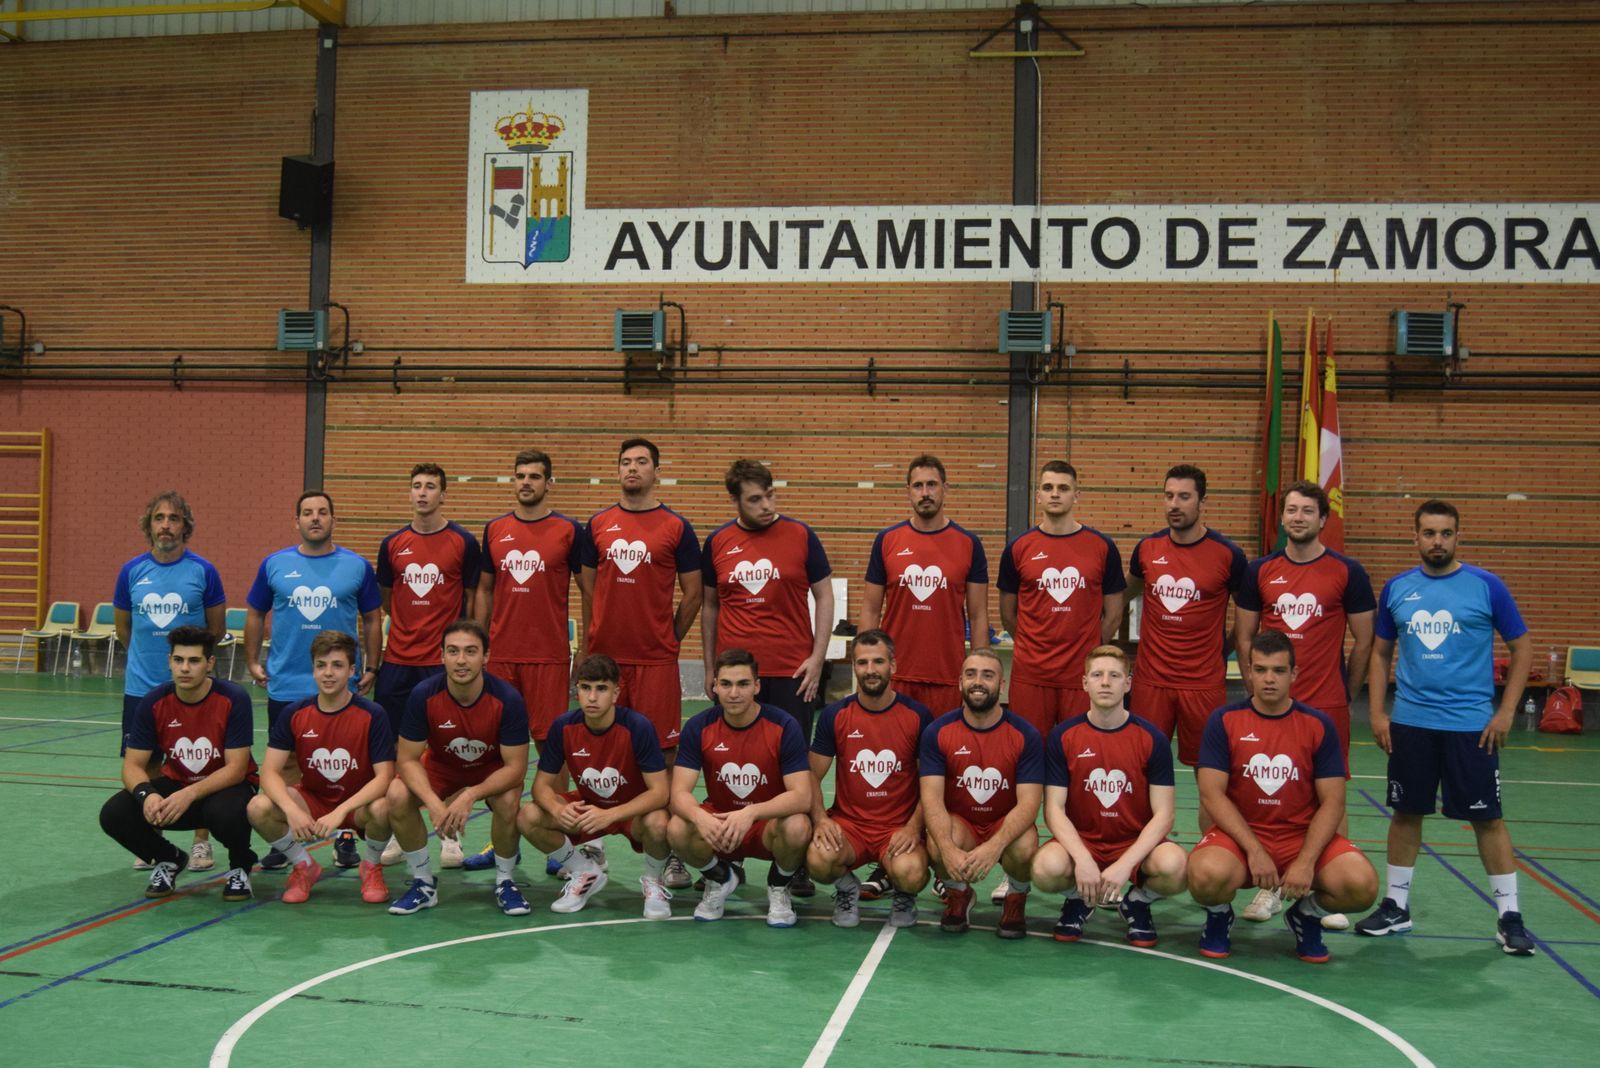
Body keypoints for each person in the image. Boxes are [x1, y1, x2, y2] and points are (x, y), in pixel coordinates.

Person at [1355, 500, 1535, 955]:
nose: (1438, 541)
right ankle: (1396, 907)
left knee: (1487, 818)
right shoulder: (1397, 588)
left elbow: (1523, 648)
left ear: (1458, 537)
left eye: (1446, 533)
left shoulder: (1486, 586)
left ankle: (1509, 917)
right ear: (1414, 538)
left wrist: (1506, 712)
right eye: (1429, 533)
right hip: (1411, 723)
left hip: (1471, 726)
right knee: (1405, 811)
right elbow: (1378, 654)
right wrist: (1377, 713)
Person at [1186, 631, 1378, 963]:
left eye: (1278, 670)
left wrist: (1305, 861)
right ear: (1248, 672)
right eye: (1260, 670)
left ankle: (1307, 915)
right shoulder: (1224, 721)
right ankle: (1219, 916)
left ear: (1294, 674)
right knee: (1203, 875)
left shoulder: (1318, 725)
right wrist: (1255, 850)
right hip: (1242, 837)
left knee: (1361, 886)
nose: (1269, 679)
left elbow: (1333, 801)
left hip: (1299, 837)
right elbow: (1211, 794)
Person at [1234, 480, 1375, 928]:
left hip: (1326, 702)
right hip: (1271, 706)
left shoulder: (1347, 572)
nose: (1297, 517)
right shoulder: (1260, 571)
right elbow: (1244, 635)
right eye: (1290, 510)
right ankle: (1266, 890)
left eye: (1306, 511)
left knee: (1330, 794)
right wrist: (1257, 686)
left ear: (1322, 520)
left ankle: (1322, 890)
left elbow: (1365, 639)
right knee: (1261, 788)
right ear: (1283, 518)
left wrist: (1345, 691)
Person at [701, 458, 832, 899]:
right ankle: (731, 849)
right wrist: (708, 666)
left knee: (794, 769)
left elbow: (824, 594)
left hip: (792, 671)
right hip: (738, 675)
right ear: (735, 500)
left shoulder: (800, 535)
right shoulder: (718, 542)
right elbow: (710, 607)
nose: (767, 505)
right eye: (755, 499)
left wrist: (817, 657)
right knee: (730, 765)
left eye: (770, 494)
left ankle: (793, 864)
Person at [581, 438, 701, 888]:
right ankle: (592, 844)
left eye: (641, 462)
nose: (633, 469)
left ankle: (669, 853)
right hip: (606, 662)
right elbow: (590, 592)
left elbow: (693, 594)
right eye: (626, 462)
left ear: (656, 471)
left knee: (663, 759)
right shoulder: (597, 525)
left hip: (654, 662)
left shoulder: (676, 527)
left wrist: (669, 636)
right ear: (618, 471)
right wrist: (591, 647)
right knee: (597, 749)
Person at [245, 489, 383, 871]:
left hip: (340, 689)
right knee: (286, 767)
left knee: (349, 766)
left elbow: (373, 617)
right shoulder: (274, 564)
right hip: (287, 683)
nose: (316, 518)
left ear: (333, 520)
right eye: (308, 513)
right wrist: (253, 660)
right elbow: (255, 613)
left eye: (323, 512)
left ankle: (343, 836)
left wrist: (372, 666)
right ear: (297, 521)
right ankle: (288, 839)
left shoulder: (355, 566)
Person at [466, 449, 586, 875]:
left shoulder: (570, 531)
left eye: (535, 476)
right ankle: (503, 842)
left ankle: (559, 841)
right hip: (502, 657)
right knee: (501, 754)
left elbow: (590, 591)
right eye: (520, 475)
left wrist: (585, 645)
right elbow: (484, 588)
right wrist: (479, 642)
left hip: (549, 658)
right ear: (512, 480)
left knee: (553, 751)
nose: (526, 482)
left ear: (549, 483)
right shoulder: (495, 529)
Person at [374, 620, 531, 917]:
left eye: (471, 651)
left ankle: (505, 881)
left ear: (485, 657)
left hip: (490, 768)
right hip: (442, 765)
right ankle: (422, 883)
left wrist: (471, 794)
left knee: (509, 801)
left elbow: (516, 768)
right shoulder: (424, 694)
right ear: (442, 656)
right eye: (454, 651)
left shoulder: (507, 698)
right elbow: (407, 759)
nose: (461, 660)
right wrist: (434, 804)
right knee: (396, 795)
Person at [1032, 646, 1186, 947]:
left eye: (1114, 675)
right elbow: (1053, 809)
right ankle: (1079, 900)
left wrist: (1125, 865)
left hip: (1133, 840)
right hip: (1084, 839)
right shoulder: (1063, 736)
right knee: (1044, 869)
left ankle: (1137, 902)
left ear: (1127, 684)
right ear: (1085, 682)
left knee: (1177, 867)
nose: (1105, 682)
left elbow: (1164, 814)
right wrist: (1083, 859)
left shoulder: (1152, 738)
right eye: (1097, 675)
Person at [374, 462, 483, 868]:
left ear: (444, 493)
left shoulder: (463, 542)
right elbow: (387, 597)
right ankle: (401, 832)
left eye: (430, 487)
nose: (422, 493)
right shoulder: (392, 544)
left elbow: (470, 601)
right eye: (416, 485)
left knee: (446, 755)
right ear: (409, 492)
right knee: (396, 752)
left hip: (440, 665)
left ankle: (450, 835)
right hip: (398, 662)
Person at [98, 626, 257, 902]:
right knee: (114, 813)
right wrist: (146, 795)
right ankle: (168, 858)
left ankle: (240, 865)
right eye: (179, 660)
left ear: (209, 664)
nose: (185, 668)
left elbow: (236, 768)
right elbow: (132, 765)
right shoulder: (154, 702)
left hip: (225, 789)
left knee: (226, 813)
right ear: (169, 662)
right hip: (179, 784)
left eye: (194, 661)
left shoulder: (233, 699)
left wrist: (189, 794)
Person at [112, 491, 226, 871]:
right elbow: (125, 628)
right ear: (149, 525)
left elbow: (215, 628)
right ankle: (153, 837)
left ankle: (200, 842)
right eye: (159, 518)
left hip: (192, 691)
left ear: (185, 527)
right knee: (148, 766)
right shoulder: (131, 572)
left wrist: (188, 670)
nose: (166, 525)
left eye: (174, 519)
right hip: (142, 688)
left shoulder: (203, 572)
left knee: (200, 762)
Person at [517, 654, 673, 917]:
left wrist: (610, 815)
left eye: (601, 689)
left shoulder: (637, 727)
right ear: (576, 690)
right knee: (527, 815)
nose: (592, 697)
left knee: (659, 821)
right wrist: (557, 810)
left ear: (615, 693)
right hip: (588, 806)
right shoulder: (564, 726)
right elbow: (541, 786)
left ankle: (654, 882)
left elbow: (660, 792)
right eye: (585, 688)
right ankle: (584, 871)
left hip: (630, 811)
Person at [246, 631, 395, 905]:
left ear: (352, 670)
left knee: (384, 807)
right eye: (321, 665)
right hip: (313, 799)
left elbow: (385, 776)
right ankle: (304, 866)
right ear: (312, 669)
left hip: (356, 805)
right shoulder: (295, 713)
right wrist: (292, 810)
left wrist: (341, 812)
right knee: (258, 807)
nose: (328, 673)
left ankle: (371, 866)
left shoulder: (372, 714)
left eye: (337, 666)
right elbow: (268, 771)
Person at [668, 649, 812, 927]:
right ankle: (720, 879)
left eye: (743, 684)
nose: (734, 693)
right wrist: (700, 817)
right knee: (676, 827)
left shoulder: (783, 725)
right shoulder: (699, 726)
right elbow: (679, 794)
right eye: (726, 684)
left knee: (797, 825)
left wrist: (752, 812)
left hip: (766, 824)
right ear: (715, 686)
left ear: (757, 686)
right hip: (721, 821)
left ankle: (779, 887)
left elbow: (802, 795)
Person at [806, 629, 932, 929]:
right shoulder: (835, 715)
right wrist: (821, 819)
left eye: (878, 662)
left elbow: (932, 785)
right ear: (854, 668)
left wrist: (914, 828)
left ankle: (904, 895)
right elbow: (810, 774)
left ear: (893, 666)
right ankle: (847, 888)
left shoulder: (917, 716)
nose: (870, 670)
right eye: (862, 663)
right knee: (818, 860)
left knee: (911, 872)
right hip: (851, 826)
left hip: (897, 827)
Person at [1126, 464, 1247, 775]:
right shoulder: (1147, 549)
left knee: (1210, 774)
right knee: (1141, 769)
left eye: (1183, 496)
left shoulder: (1228, 555)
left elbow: (1248, 620)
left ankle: (1211, 828)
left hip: (1203, 684)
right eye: (1168, 496)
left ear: (1202, 502)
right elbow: (1120, 598)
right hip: (1151, 681)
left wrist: (1223, 648)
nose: (1174, 505)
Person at [919, 649, 1043, 938]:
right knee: (939, 842)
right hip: (963, 822)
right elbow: (932, 799)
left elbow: (1030, 802)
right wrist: (948, 851)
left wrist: (995, 845)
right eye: (971, 674)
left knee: (1026, 843)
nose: (978, 682)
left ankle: (1016, 896)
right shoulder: (938, 731)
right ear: (960, 681)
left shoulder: (1025, 734)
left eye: (988, 675)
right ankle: (958, 893)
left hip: (1004, 821)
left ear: (1001, 685)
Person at [998, 461, 1127, 735]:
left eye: (1063, 488)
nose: (1055, 493)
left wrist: (1090, 646)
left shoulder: (1102, 547)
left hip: (1080, 674)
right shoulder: (1018, 548)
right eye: (1048, 487)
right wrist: (1032, 645)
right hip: (1030, 675)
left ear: (1076, 495)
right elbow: (1008, 615)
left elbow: (1114, 613)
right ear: (1038, 496)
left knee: (1078, 751)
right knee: (1029, 752)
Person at [861, 454, 989, 716]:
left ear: (945, 488)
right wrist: (865, 666)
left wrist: (978, 674)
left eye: (932, 485)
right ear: (908, 492)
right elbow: (870, 609)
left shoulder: (969, 544)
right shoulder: (887, 540)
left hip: (947, 676)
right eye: (918, 486)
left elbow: (978, 616)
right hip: (895, 674)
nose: (925, 492)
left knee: (941, 756)